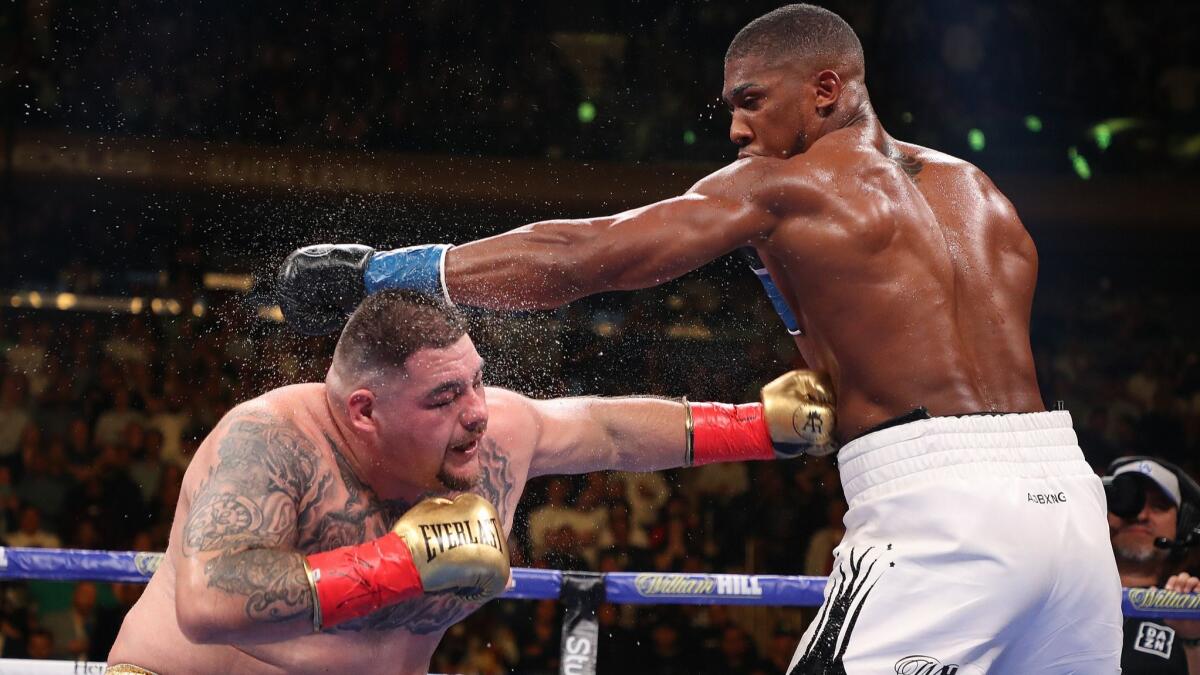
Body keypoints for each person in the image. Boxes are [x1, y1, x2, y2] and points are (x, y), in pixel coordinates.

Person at [277, 4, 1122, 671]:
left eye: (752, 101)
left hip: (945, 510)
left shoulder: (786, 185)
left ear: (826, 89)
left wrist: (384, 273)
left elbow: (590, 255)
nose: (737, 131)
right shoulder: (977, 191)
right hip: (1071, 505)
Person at [106, 289, 831, 675]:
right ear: (365, 411)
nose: (479, 412)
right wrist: (397, 562)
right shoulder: (271, 441)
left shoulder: (496, 438)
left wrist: (759, 426)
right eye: (445, 396)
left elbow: (608, 428)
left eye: (477, 380)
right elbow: (208, 601)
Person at [1105, 456, 1200, 673]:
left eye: (1158, 506)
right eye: (1127, 502)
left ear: (1182, 525)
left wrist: (1194, 642)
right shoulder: (1059, 595)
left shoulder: (1192, 614)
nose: (1141, 515)